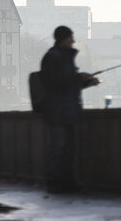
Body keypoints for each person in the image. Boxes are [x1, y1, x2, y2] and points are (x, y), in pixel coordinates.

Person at [39, 26, 99, 193]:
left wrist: (87, 81)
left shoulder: (62, 57)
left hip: (67, 111)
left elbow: (68, 84)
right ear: (63, 39)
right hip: (59, 111)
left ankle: (66, 182)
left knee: (68, 149)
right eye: (70, 38)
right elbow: (57, 83)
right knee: (59, 148)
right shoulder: (54, 57)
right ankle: (56, 183)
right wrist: (78, 77)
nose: (73, 41)